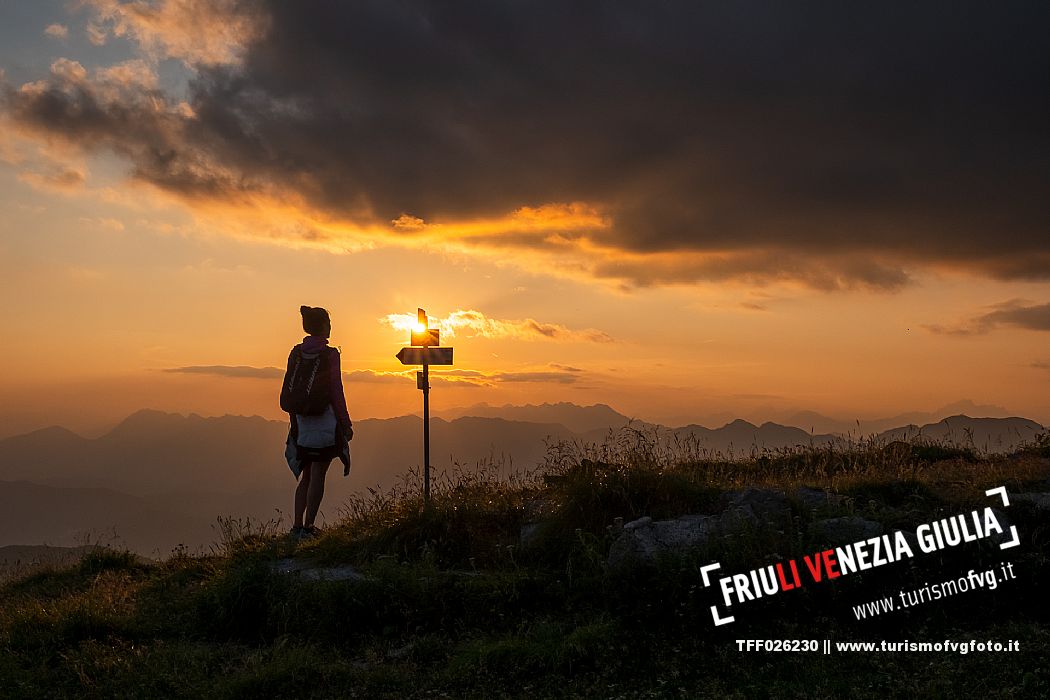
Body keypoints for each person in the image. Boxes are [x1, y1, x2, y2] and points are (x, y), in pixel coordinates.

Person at [282, 305, 353, 538]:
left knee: (307, 475)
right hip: (325, 421)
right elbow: (336, 390)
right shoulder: (330, 354)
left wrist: (295, 423)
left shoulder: (296, 352)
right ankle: (309, 528)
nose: (331, 326)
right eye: (328, 322)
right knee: (319, 473)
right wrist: (345, 422)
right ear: (322, 326)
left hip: (301, 422)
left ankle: (296, 526)